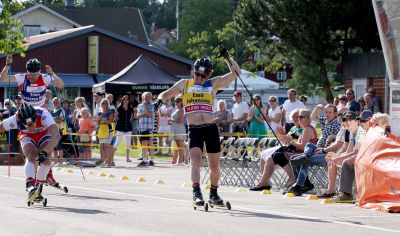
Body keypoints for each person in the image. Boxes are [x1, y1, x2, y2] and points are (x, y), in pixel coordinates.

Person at [158, 55, 240, 207]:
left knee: (214, 166)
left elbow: (236, 73)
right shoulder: (184, 84)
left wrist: (227, 57)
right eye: (198, 74)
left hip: (210, 129)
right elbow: (165, 94)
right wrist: (159, 100)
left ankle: (214, 194)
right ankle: (196, 192)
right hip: (194, 129)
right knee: (195, 161)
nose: (200, 78)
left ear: (208, 74)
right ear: (194, 72)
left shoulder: (213, 83)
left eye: (204, 75)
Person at [0, 56, 64, 188]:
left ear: (39, 71)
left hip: (41, 113)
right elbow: (3, 79)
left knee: (47, 144)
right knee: (31, 153)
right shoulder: (22, 77)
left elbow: (61, 85)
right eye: (30, 73)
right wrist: (7, 66)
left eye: (35, 74)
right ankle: (33, 176)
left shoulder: (45, 78)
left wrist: (52, 74)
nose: (32, 76)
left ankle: (48, 173)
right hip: (25, 113)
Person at [0, 103, 61, 202]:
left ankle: (38, 185)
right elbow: (1, 127)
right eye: (28, 124)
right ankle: (30, 186)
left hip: (43, 134)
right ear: (21, 121)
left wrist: (44, 152)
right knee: (31, 156)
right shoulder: (14, 120)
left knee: (46, 159)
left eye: (33, 122)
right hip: (27, 136)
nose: (32, 126)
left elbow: (56, 135)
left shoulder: (43, 114)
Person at [249, 109, 317, 191]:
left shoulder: (307, 130)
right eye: (298, 116)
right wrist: (287, 139)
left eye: (301, 117)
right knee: (273, 156)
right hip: (298, 152)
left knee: (278, 155)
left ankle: (292, 177)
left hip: (305, 154)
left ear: (307, 118)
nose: (299, 118)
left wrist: (290, 141)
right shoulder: (305, 129)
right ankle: (264, 182)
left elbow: (303, 147)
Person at [136, 92, 156, 167]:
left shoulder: (152, 105)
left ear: (151, 98)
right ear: (142, 97)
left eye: (148, 97)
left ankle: (152, 160)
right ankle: (144, 160)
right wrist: (144, 114)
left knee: (150, 143)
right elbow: (137, 116)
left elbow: (150, 115)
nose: (146, 98)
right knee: (144, 143)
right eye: (145, 97)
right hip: (141, 127)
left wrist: (144, 106)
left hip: (149, 127)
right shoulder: (139, 105)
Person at [113, 95, 134, 162]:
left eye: (127, 99)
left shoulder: (131, 108)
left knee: (128, 143)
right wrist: (118, 122)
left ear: (129, 101)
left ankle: (127, 157)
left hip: (128, 127)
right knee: (118, 142)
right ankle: (111, 156)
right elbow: (115, 117)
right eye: (124, 99)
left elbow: (131, 118)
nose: (126, 100)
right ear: (122, 100)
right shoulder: (119, 108)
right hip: (120, 127)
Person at [96, 99, 114, 168]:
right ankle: (105, 162)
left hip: (108, 131)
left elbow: (110, 121)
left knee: (107, 146)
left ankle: (109, 163)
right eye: (102, 103)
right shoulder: (100, 113)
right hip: (101, 131)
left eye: (105, 103)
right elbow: (98, 124)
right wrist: (98, 120)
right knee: (102, 147)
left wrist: (103, 119)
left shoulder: (110, 112)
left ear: (108, 104)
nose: (104, 104)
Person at [169, 97, 186, 165]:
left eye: (178, 101)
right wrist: (170, 122)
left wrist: (171, 120)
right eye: (175, 101)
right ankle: (179, 160)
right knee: (177, 145)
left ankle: (181, 161)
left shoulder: (181, 109)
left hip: (179, 128)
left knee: (180, 145)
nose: (176, 103)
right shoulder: (176, 109)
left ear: (181, 102)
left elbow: (180, 121)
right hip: (175, 128)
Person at [51, 97, 65, 166]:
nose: (55, 103)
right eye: (54, 102)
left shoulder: (61, 110)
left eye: (56, 102)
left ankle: (61, 162)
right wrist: (56, 119)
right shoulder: (52, 111)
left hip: (59, 130)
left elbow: (61, 119)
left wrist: (54, 119)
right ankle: (55, 161)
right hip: (53, 130)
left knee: (59, 146)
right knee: (54, 146)